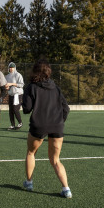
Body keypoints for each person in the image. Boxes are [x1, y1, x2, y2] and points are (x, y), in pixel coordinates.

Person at [22, 59, 72, 198]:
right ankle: (66, 189)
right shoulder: (56, 88)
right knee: (56, 160)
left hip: (38, 126)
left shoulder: (31, 87)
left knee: (31, 153)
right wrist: (59, 122)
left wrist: (23, 97)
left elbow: (26, 109)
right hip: (57, 126)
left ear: (35, 71)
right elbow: (66, 109)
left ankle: (29, 182)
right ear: (49, 71)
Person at [5, 62, 24, 130]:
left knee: (16, 109)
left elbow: (21, 85)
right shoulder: (7, 76)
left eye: (13, 67)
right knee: (11, 110)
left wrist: (12, 84)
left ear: (15, 68)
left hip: (17, 94)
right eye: (10, 67)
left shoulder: (18, 75)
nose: (11, 69)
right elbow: (6, 86)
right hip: (11, 94)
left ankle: (20, 123)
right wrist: (7, 87)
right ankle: (12, 125)